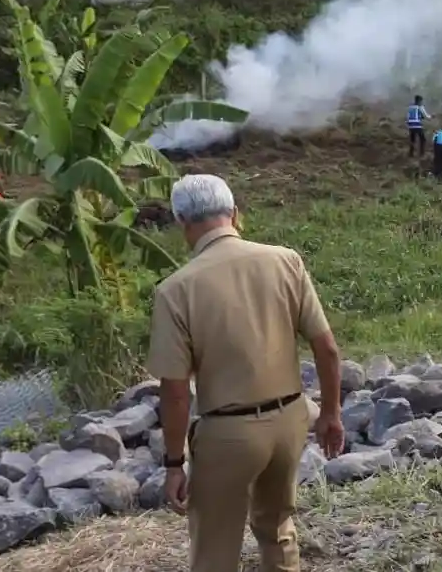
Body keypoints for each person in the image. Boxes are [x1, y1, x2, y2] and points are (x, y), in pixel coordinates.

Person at [145, 174, 346, 572]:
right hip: (290, 420)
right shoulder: (285, 260)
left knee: (214, 551)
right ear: (235, 213)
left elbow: (175, 391)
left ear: (183, 222)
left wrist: (173, 464)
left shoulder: (177, 289)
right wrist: (331, 414)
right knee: (277, 528)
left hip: (228, 434)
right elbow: (327, 348)